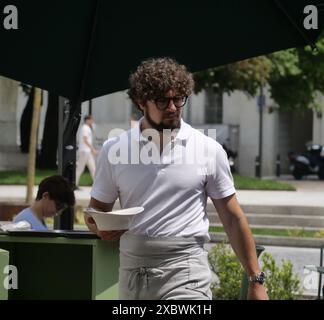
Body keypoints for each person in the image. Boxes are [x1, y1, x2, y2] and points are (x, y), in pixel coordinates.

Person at [84, 57, 269, 300]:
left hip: (187, 271)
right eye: (162, 100)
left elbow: (233, 218)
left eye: (178, 99)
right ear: (141, 102)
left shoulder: (208, 149)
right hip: (133, 275)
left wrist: (256, 280)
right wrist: (99, 228)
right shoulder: (114, 149)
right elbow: (94, 212)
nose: (172, 108)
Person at [76, 115, 97, 187]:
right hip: (84, 151)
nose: (92, 121)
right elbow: (85, 140)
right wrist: (92, 149)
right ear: (87, 120)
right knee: (80, 168)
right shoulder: (85, 128)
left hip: (87, 151)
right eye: (91, 120)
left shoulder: (87, 127)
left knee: (93, 168)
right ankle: (74, 184)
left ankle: (96, 185)